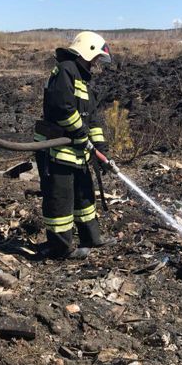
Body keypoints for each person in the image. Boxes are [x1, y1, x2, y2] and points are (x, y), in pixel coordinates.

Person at [34, 31, 116, 260]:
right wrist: (81, 135)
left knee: (84, 196)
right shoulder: (65, 71)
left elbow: (93, 119)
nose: (97, 62)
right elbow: (63, 108)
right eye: (96, 57)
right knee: (60, 200)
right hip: (56, 150)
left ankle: (92, 238)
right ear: (87, 50)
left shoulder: (83, 79)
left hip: (77, 152)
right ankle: (61, 249)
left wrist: (101, 149)